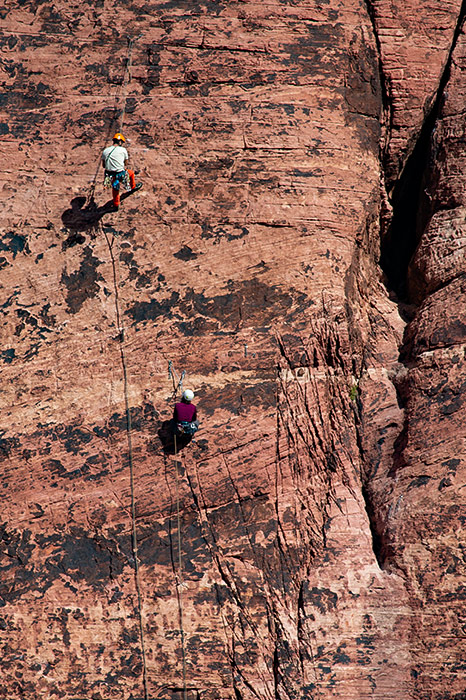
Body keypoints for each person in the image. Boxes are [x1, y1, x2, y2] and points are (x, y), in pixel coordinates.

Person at [102, 132, 141, 210]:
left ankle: (116, 205)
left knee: (115, 189)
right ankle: (133, 187)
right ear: (120, 142)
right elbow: (125, 163)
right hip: (120, 174)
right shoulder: (123, 150)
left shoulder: (105, 151)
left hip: (109, 176)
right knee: (131, 173)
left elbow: (104, 165)